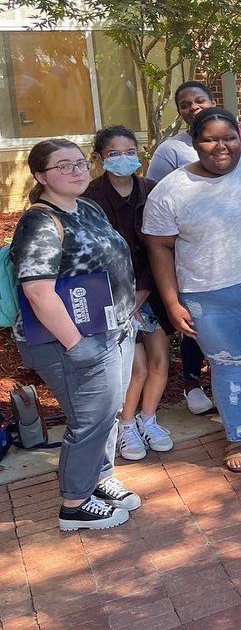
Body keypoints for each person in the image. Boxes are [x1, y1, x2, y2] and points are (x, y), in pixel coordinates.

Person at [144, 107, 241, 473]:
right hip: (208, 296)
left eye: (228, 137)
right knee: (228, 366)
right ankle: (237, 436)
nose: (221, 146)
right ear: (194, 142)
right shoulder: (171, 190)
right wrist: (171, 301)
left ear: (239, 138)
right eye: (209, 139)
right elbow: (159, 248)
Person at [11, 139, 139, 531]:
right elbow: (37, 291)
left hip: (111, 328)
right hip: (71, 340)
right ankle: (75, 503)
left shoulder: (87, 207)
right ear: (40, 176)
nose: (76, 171)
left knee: (106, 414)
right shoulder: (39, 221)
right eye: (63, 166)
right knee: (90, 419)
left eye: (80, 163)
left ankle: (99, 478)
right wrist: (75, 343)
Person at [84, 127, 174, 463]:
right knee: (134, 369)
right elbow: (93, 257)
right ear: (100, 158)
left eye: (130, 151)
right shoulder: (90, 199)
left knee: (160, 361)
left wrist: (145, 292)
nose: (124, 159)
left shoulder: (151, 191)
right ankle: (126, 425)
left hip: (151, 289)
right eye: (114, 153)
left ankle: (148, 418)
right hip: (112, 296)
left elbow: (161, 246)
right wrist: (125, 301)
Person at [145, 81, 218, 415]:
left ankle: (224, 381)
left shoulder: (231, 139)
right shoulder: (171, 151)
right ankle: (192, 383)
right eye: (185, 104)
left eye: (199, 100)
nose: (194, 107)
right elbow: (156, 200)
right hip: (188, 250)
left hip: (228, 250)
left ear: (212, 101)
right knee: (196, 320)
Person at [146, 80, 216, 180]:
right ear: (180, 112)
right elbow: (153, 191)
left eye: (200, 101)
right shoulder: (169, 150)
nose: (193, 107)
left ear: (213, 104)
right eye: (184, 106)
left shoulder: (234, 142)